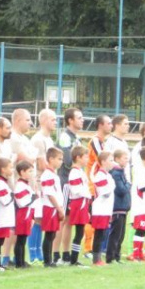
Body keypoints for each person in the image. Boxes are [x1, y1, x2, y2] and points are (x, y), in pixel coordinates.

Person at [57, 107, 84, 265]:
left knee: (69, 220)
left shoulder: (76, 138)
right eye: (79, 118)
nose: (82, 120)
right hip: (66, 183)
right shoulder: (65, 137)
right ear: (70, 120)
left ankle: (66, 253)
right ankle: (56, 254)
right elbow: (67, 161)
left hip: (74, 182)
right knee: (63, 220)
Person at [128, 146, 145, 262]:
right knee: (140, 229)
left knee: (144, 229)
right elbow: (142, 187)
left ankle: (140, 253)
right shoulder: (139, 170)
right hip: (141, 205)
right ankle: (136, 254)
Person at [40, 147, 64, 267]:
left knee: (52, 234)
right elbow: (49, 193)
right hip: (50, 207)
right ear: (51, 159)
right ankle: (47, 260)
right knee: (49, 234)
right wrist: (58, 208)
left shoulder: (53, 174)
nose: (61, 162)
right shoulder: (47, 175)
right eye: (59, 159)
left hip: (54, 207)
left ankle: (49, 259)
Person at [67, 146, 91, 266]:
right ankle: (73, 259)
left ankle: (74, 258)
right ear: (78, 158)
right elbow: (76, 190)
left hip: (83, 202)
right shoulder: (74, 172)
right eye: (85, 157)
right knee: (79, 232)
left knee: (80, 232)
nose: (87, 159)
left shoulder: (80, 171)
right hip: (78, 203)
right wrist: (88, 194)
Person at [0, 157, 16, 272]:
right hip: (1, 217)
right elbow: (5, 200)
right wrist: (13, 194)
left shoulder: (4, 183)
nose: (13, 169)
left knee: (0, 241)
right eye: (10, 167)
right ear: (3, 169)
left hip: (6, 217)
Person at [107, 149, 131, 264]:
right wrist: (128, 184)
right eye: (124, 158)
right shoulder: (116, 173)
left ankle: (117, 256)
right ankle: (110, 257)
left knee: (121, 235)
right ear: (117, 159)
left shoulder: (121, 172)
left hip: (123, 207)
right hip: (117, 207)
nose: (127, 160)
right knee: (115, 234)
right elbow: (122, 189)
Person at [90, 151, 115, 266]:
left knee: (103, 233)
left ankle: (98, 258)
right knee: (99, 234)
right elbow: (106, 192)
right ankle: (96, 259)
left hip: (105, 209)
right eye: (110, 160)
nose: (112, 163)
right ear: (103, 162)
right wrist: (111, 186)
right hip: (100, 209)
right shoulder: (100, 175)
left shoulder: (107, 175)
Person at [13, 160, 37, 269]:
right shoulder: (19, 186)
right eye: (30, 171)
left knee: (23, 239)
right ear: (22, 172)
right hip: (22, 214)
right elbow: (22, 202)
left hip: (27, 214)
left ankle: (22, 260)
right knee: (20, 239)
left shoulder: (25, 185)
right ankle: (19, 262)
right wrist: (33, 197)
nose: (32, 173)